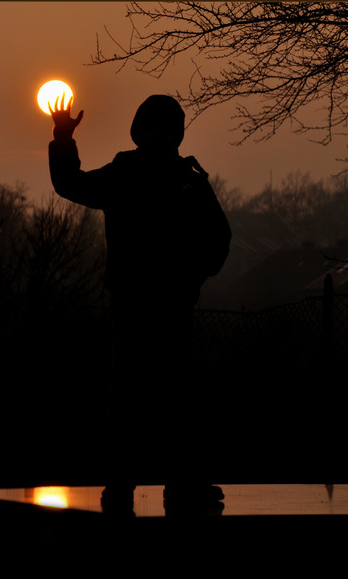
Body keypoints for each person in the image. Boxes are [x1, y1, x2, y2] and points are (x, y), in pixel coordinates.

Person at [48, 94, 231, 514]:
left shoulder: (169, 179)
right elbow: (72, 184)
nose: (161, 136)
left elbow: (218, 239)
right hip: (147, 302)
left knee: (152, 394)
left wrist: (191, 278)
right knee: (151, 394)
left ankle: (142, 482)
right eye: (157, 128)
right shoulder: (161, 177)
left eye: (166, 130)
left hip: (154, 302)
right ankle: (143, 482)